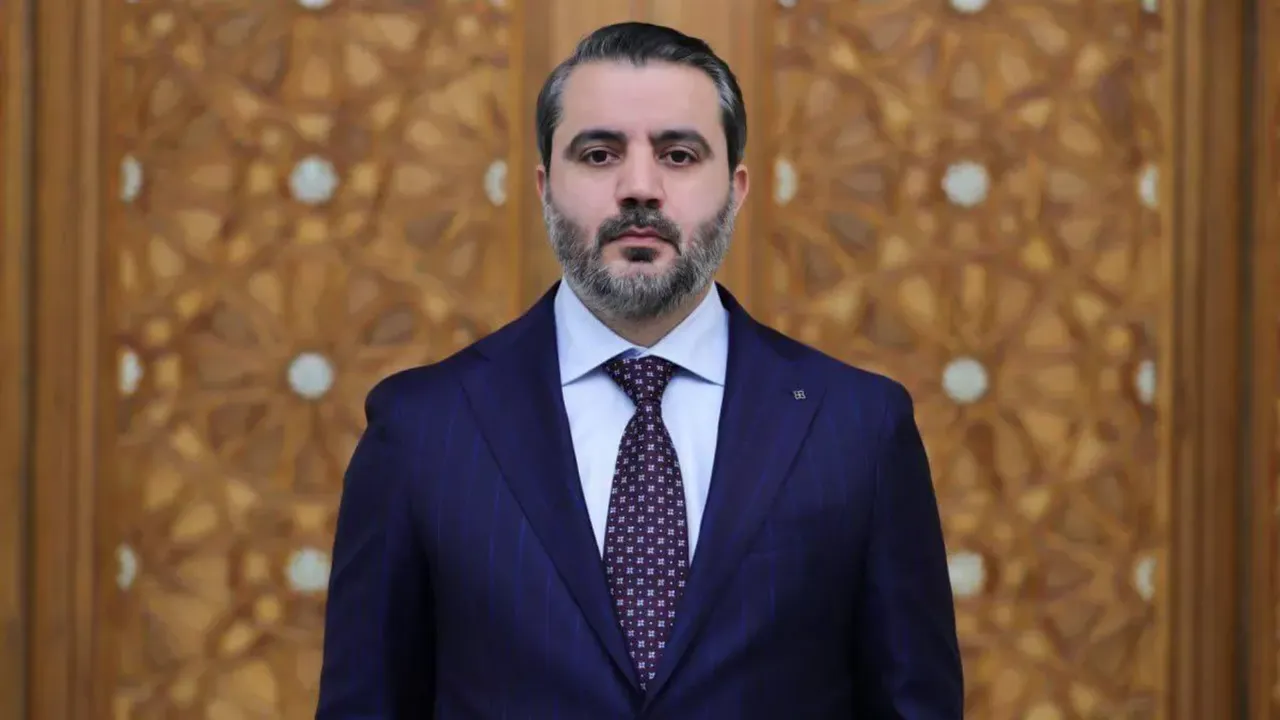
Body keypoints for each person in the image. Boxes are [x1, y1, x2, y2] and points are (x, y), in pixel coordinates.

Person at [316, 21, 963, 719]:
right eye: (599, 154)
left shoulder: (859, 428)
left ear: (737, 188)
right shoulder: (421, 430)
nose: (640, 188)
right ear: (545, 187)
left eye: (679, 155)